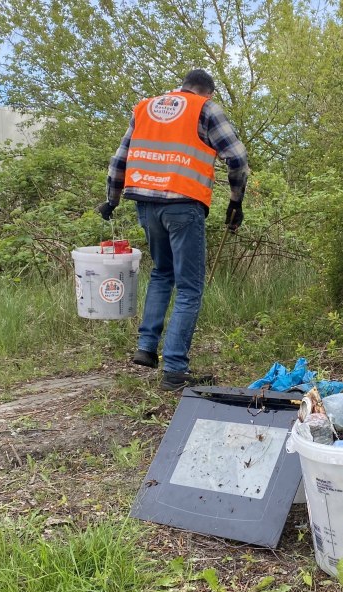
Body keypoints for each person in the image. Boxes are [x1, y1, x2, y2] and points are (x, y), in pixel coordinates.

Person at [97, 69, 248, 391]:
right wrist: (235, 202)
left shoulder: (145, 107)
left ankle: (147, 348)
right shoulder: (205, 109)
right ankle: (175, 369)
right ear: (207, 92)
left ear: (183, 87)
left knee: (163, 273)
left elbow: (118, 161)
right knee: (190, 287)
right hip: (183, 205)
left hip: (145, 204)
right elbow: (237, 158)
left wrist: (111, 201)